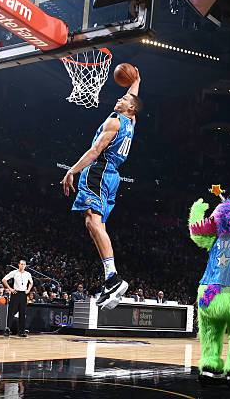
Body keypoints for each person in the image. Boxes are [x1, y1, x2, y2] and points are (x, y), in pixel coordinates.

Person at [61, 70, 142, 310]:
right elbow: (133, 97)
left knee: (92, 222)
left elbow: (96, 151)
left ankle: (114, 278)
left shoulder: (114, 121)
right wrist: (136, 82)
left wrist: (72, 171)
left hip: (98, 171)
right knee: (97, 225)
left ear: (130, 109)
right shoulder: (131, 122)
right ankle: (110, 279)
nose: (120, 98)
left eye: (124, 100)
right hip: (113, 177)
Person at [2, 260, 33, 337]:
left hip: (23, 294)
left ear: (25, 266)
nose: (22, 266)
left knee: (22, 313)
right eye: (21, 264)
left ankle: (21, 331)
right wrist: (10, 289)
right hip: (15, 293)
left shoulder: (28, 274)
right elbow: (4, 280)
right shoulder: (14, 272)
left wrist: (28, 290)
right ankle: (7, 329)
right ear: (18, 265)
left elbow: (31, 282)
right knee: (11, 312)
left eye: (24, 264)